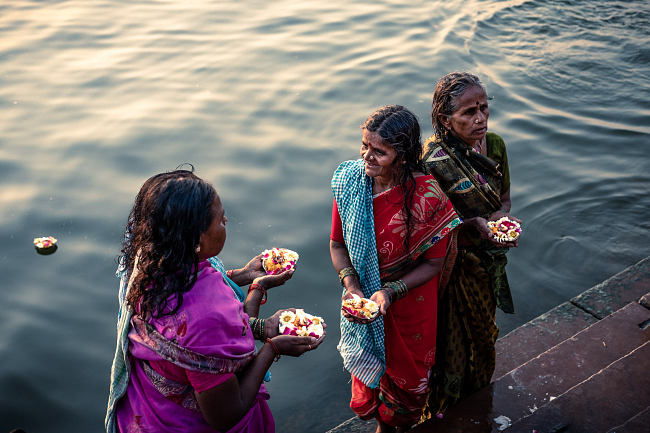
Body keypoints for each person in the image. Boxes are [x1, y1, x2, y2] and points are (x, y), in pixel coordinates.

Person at [104, 169, 325, 433]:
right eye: (221, 220)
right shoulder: (206, 316)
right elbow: (226, 414)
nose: (226, 220)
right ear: (196, 238)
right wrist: (272, 350)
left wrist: (245, 279)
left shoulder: (148, 263)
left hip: (144, 411)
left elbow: (206, 328)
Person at [329, 105, 461, 432]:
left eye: (379, 152)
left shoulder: (427, 195)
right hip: (363, 303)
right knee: (370, 387)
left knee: (406, 393)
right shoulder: (350, 182)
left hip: (409, 306)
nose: (367, 157)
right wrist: (353, 287)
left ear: (402, 155)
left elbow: (434, 263)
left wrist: (390, 291)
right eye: (364, 147)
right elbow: (337, 245)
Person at [419, 72, 521, 420]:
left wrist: (501, 223)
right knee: (452, 346)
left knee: (483, 336)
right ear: (446, 119)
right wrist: (469, 227)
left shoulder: (495, 146)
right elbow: (424, 232)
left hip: (486, 263)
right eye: (468, 112)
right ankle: (445, 411)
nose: (480, 118)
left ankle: (477, 402)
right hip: (451, 272)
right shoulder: (431, 162)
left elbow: (503, 201)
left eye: (484, 108)